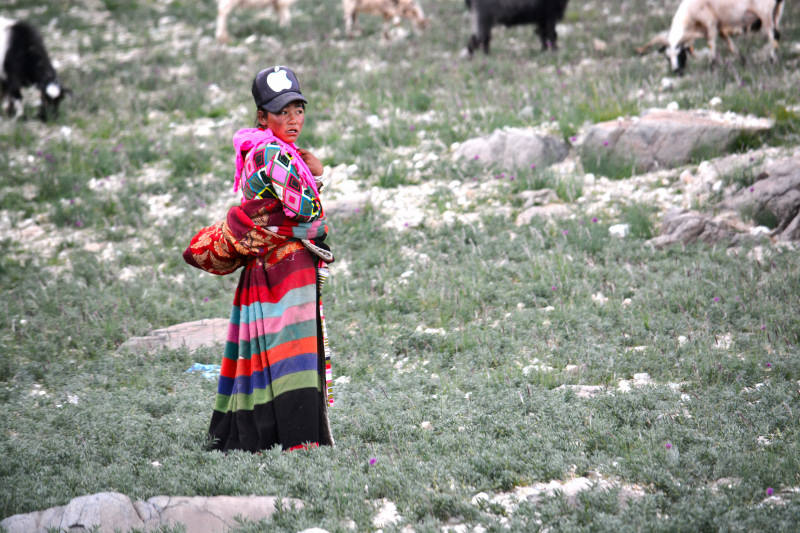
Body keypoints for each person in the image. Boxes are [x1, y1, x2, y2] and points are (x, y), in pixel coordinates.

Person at [183, 66, 334, 453]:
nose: (293, 120)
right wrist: (316, 175)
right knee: (290, 349)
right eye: (282, 112)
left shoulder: (265, 149)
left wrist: (309, 171)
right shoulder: (273, 153)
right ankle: (299, 440)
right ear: (262, 116)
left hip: (268, 266)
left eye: (298, 109)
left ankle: (263, 434)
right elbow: (304, 208)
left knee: (266, 350)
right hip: (284, 269)